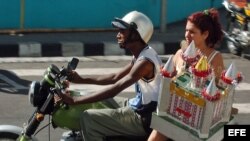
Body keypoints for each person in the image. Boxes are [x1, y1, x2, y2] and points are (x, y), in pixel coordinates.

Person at [59, 11, 162, 141]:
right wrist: (80, 80)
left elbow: (116, 87)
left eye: (122, 31)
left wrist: (74, 101)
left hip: (144, 117)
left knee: (89, 118)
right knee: (98, 101)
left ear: (136, 34)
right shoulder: (141, 54)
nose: (118, 35)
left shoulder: (145, 62)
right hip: (138, 105)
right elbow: (115, 77)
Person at [147, 8, 232, 141]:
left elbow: (219, 90)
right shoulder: (180, 53)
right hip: (174, 111)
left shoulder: (215, 58)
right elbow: (169, 80)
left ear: (205, 34)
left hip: (198, 119)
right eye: (186, 30)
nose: (187, 35)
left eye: (192, 32)